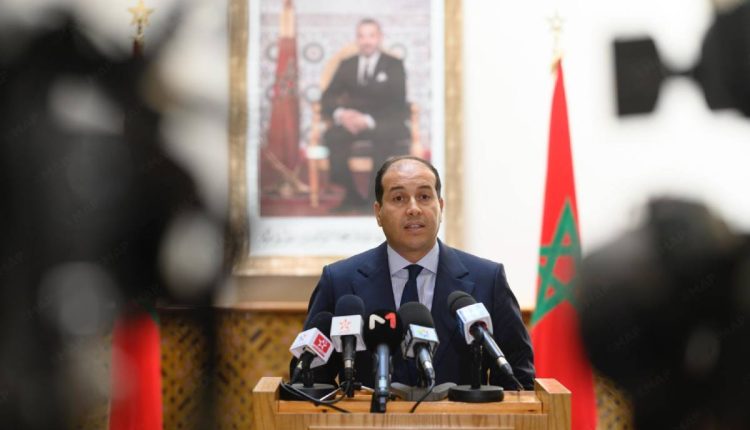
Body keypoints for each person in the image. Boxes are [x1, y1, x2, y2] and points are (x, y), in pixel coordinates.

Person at [297, 156, 535, 390]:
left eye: (424, 197)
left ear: (440, 207)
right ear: (378, 212)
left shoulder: (487, 279)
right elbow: (309, 380)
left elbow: (518, 380)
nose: (413, 209)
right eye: (399, 198)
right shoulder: (339, 281)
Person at [321, 18, 411, 212]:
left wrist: (369, 120)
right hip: (353, 122)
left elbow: (398, 103)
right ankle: (351, 196)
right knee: (332, 136)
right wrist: (342, 114)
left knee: (384, 137)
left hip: (383, 122)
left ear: (380, 38)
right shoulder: (347, 64)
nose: (366, 41)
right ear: (357, 39)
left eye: (371, 36)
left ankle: (374, 198)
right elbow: (327, 97)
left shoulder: (394, 64)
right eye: (361, 36)